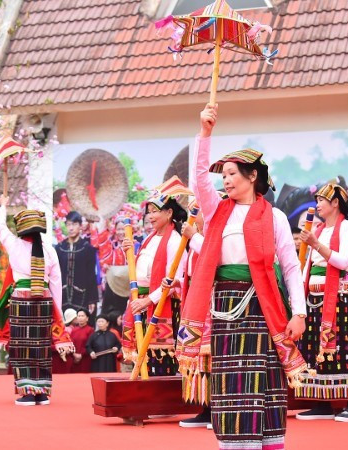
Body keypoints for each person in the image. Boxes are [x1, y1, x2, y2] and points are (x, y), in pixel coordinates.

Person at [178, 104, 308, 449]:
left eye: (233, 173)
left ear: (253, 177)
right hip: (225, 307)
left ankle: (267, 443)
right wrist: (204, 134)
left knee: (261, 381)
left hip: (262, 308)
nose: (226, 180)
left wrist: (299, 312)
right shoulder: (218, 211)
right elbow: (199, 181)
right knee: (230, 384)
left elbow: (291, 267)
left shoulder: (275, 217)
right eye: (224, 175)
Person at [0, 195, 74, 405]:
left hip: (21, 301)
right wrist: (56, 308)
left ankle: (27, 392)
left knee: (22, 346)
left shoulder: (15, 245)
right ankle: (42, 392)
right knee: (42, 346)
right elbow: (56, 282)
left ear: (21, 229)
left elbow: (0, 228)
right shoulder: (50, 250)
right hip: (45, 301)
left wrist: (3, 205)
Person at [295, 183, 348, 422]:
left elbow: (342, 262)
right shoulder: (322, 229)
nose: (318, 204)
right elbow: (308, 265)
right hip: (314, 296)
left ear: (336, 203)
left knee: (341, 346)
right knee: (315, 347)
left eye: (322, 199)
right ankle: (322, 402)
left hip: (337, 296)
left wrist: (315, 244)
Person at [121, 180, 189, 377]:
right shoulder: (149, 239)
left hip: (161, 306)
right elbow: (141, 275)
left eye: (155, 211)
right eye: (148, 212)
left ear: (169, 213)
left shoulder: (174, 240)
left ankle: (162, 403)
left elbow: (172, 279)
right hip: (142, 303)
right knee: (143, 361)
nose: (150, 216)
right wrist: (129, 254)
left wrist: (148, 301)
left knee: (160, 360)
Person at [178, 205, 212, 428]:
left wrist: (194, 237)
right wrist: (176, 284)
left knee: (211, 357)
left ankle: (215, 406)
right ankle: (204, 407)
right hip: (193, 301)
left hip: (210, 301)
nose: (192, 214)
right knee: (195, 355)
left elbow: (213, 259)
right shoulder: (193, 238)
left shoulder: (212, 234)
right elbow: (186, 272)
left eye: (196, 209)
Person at [56, 211, 99, 315]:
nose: (71, 228)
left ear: (80, 226)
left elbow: (91, 275)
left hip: (82, 296)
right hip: (62, 297)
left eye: (74, 224)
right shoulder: (59, 248)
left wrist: (92, 299)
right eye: (68, 224)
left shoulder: (87, 249)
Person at [91, 215, 130, 317]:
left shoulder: (134, 245)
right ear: (115, 230)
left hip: (126, 286)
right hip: (111, 284)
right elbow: (103, 255)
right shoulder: (111, 244)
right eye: (119, 229)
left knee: (123, 315)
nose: (121, 232)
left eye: (123, 229)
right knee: (107, 314)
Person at [70, 309, 94, 373]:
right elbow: (70, 343)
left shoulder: (90, 330)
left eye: (82, 316)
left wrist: (81, 355)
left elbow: (91, 345)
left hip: (85, 358)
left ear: (87, 318)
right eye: (79, 316)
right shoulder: (74, 330)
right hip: (74, 359)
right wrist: (74, 354)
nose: (80, 318)